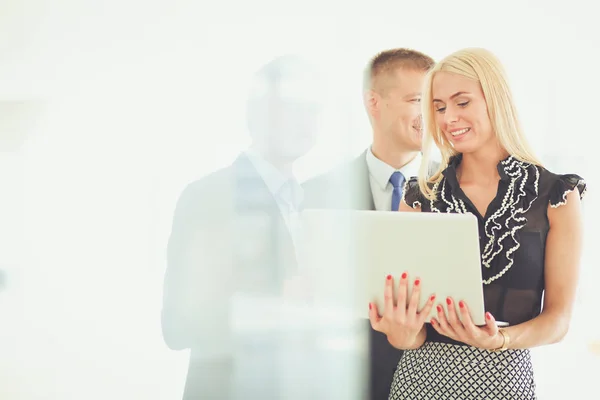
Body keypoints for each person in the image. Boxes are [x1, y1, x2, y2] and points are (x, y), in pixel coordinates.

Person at [368, 47, 586, 400]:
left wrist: (501, 340)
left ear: (495, 100)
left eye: (462, 102)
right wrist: (401, 331)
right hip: (418, 383)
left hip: (503, 384)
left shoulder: (556, 196)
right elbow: (407, 336)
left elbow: (558, 321)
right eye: (438, 107)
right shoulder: (420, 197)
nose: (448, 117)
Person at [161, 54, 323, 399]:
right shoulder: (209, 196)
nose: (304, 120)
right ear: (257, 115)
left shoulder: (314, 202)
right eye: (289, 107)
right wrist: (282, 300)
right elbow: (178, 325)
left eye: (310, 109)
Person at [303, 48, 436, 400]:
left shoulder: (458, 190)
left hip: (432, 379)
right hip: (341, 381)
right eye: (416, 100)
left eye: (435, 103)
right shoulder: (315, 195)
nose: (431, 115)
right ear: (373, 103)